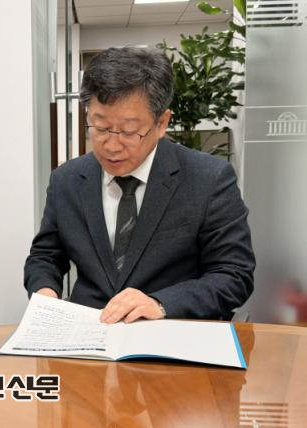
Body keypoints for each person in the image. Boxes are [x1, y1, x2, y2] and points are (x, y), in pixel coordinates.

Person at [24, 47, 255, 324]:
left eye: (129, 131)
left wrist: (160, 303)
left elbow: (234, 275)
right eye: (100, 128)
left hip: (171, 334)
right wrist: (45, 293)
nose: (111, 145)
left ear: (162, 123)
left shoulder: (208, 178)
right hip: (89, 334)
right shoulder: (67, 180)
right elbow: (46, 255)